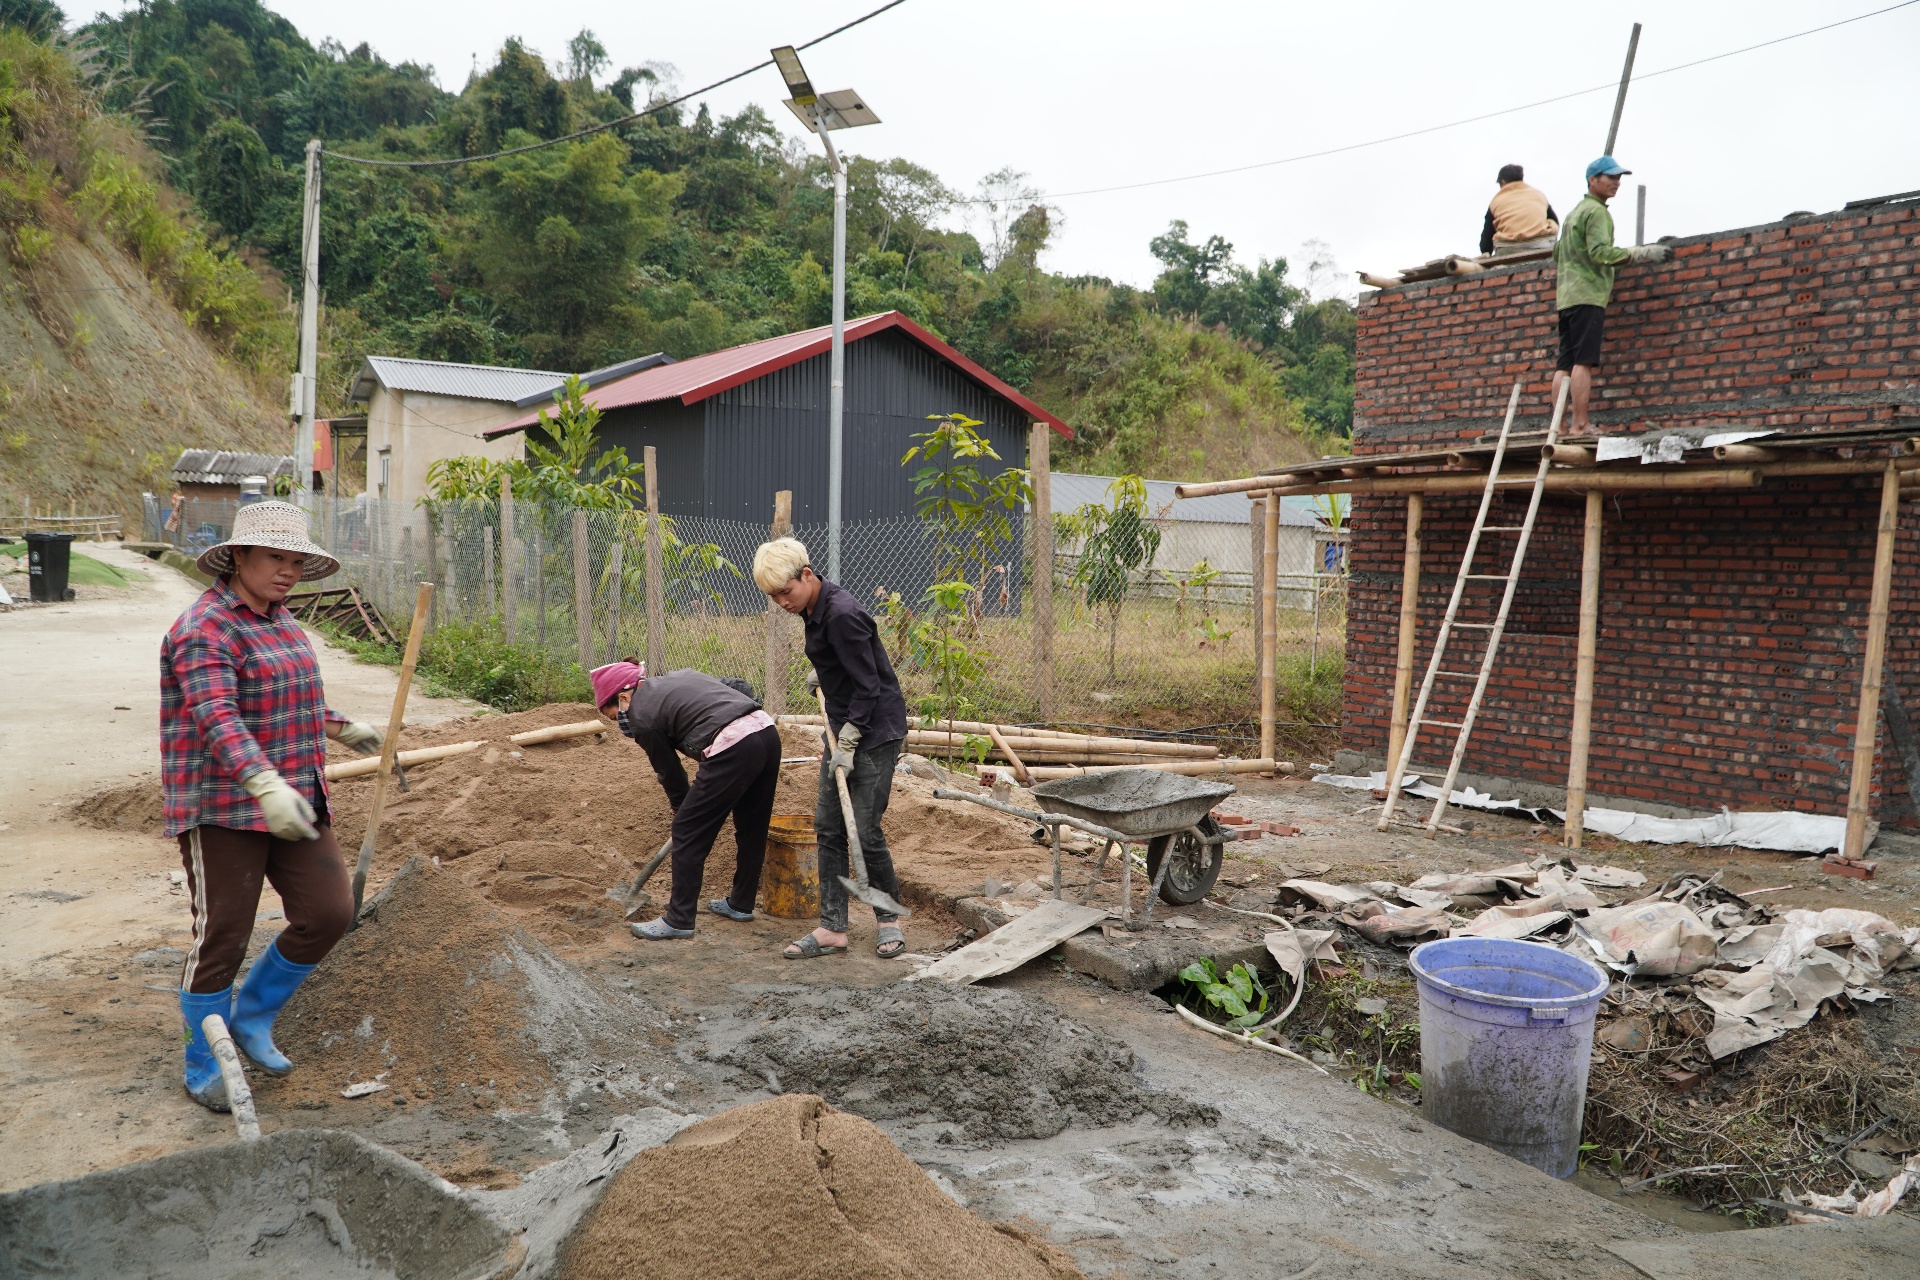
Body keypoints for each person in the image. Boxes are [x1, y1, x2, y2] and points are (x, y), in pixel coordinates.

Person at [160, 501, 383, 1111]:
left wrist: (340, 727)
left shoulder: (282, 621)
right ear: (237, 557)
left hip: (294, 797)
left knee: (330, 912)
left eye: (295, 561)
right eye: (273, 558)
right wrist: (261, 781)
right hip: (224, 805)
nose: (286, 571)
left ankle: (252, 1019)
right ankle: (204, 1058)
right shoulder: (203, 626)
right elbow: (218, 715)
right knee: (222, 937)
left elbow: (291, 693)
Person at [752, 537, 910, 960]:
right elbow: (849, 665)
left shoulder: (842, 614)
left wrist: (853, 736)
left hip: (873, 731)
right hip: (840, 726)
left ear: (807, 575)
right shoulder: (812, 609)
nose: (781, 602)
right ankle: (833, 928)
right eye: (773, 597)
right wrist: (823, 674)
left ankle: (888, 918)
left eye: (785, 591)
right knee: (828, 826)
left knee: (864, 827)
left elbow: (870, 683)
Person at [597, 660, 783, 940]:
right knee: (752, 826)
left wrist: (680, 806)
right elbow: (734, 686)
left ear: (624, 697)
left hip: (733, 746)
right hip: (765, 732)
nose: (619, 724)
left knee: (686, 832)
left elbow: (669, 769)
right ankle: (741, 904)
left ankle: (679, 919)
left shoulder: (642, 717)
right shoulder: (679, 676)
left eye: (614, 716)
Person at [1553, 155, 1673, 436]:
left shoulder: (1573, 213)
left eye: (1618, 178)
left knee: (1564, 365)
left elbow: (1557, 253)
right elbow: (1599, 253)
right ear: (1592, 180)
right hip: (1588, 295)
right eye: (1610, 177)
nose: (1616, 183)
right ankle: (1580, 425)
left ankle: (1558, 426)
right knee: (1583, 362)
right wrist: (1640, 253)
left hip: (1566, 297)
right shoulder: (1596, 213)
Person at [1479, 163, 1558, 256]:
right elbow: (1555, 221)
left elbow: (1486, 238)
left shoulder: (1496, 201)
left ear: (1503, 182)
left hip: (1508, 249)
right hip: (1541, 245)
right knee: (1551, 223)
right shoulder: (1538, 195)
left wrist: (1486, 252)